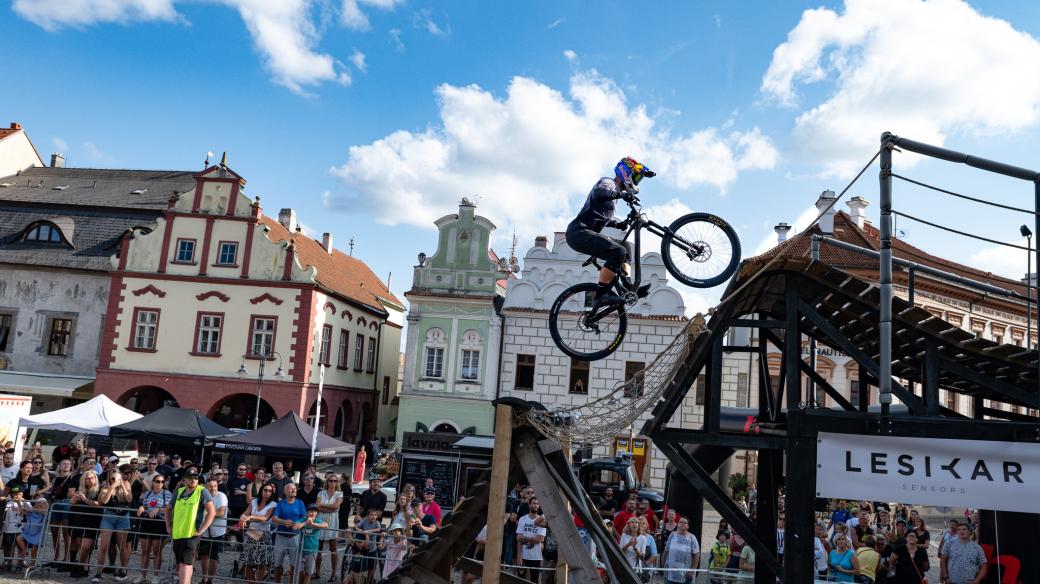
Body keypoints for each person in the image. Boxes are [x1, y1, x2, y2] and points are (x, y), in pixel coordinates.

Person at [566, 156, 656, 307]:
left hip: (587, 234)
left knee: (625, 247)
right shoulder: (609, 183)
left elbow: (601, 218)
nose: (636, 182)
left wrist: (619, 224)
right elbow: (598, 193)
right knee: (618, 251)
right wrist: (621, 195)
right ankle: (600, 296)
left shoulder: (614, 196)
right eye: (635, 177)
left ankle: (627, 285)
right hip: (578, 232)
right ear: (625, 174)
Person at [165, 467, 216, 584]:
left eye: (195, 477)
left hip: (191, 534)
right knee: (180, 563)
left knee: (186, 563)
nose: (193, 479)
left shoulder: (202, 491)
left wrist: (201, 530)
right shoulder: (179, 491)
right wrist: (168, 526)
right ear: (184, 480)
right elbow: (168, 508)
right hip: (177, 533)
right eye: (190, 477)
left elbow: (212, 512)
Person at [95, 467, 134, 582]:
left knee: (122, 546)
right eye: (112, 478)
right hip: (109, 517)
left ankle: (123, 570)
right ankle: (98, 573)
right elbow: (104, 501)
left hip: (123, 518)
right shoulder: (106, 487)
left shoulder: (126, 484)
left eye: (116, 477)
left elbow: (129, 499)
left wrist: (122, 485)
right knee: (103, 546)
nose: (114, 479)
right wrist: (112, 487)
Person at [136, 473, 172, 584]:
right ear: (153, 483)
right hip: (147, 522)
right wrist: (142, 507)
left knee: (157, 551)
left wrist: (158, 508)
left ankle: (155, 576)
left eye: (162, 482)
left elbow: (169, 507)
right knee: (145, 551)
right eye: (157, 481)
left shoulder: (167, 493)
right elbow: (146, 505)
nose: (160, 483)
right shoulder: (148, 493)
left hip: (159, 523)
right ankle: (143, 575)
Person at [239, 482, 276, 584]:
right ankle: (252, 582)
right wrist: (242, 518)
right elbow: (245, 513)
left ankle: (259, 582)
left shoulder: (273, 504)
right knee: (246, 562)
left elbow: (265, 518)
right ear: (261, 491)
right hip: (252, 534)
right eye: (265, 490)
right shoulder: (254, 501)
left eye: (269, 491)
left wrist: (250, 517)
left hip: (264, 535)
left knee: (262, 563)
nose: (267, 492)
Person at [270, 483, 307, 584]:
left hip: (295, 536)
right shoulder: (280, 503)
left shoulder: (300, 503)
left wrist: (297, 524)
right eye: (291, 489)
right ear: (285, 492)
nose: (294, 490)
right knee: (277, 564)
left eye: (295, 489)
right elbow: (274, 518)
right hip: (281, 536)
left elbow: (305, 518)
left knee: (294, 565)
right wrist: (284, 522)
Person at [69, 470, 103, 578]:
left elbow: (99, 504)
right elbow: (72, 503)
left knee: (86, 546)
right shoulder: (80, 490)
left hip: (92, 521)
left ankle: (80, 564)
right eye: (87, 478)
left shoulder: (99, 490)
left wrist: (85, 499)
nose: (90, 480)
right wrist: (74, 499)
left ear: (96, 479)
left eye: (92, 478)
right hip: (79, 520)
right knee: (81, 545)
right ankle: (85, 568)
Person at [41, 458, 75, 565]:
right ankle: (56, 558)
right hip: (55, 504)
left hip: (67, 504)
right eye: (64, 463)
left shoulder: (72, 477)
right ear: (60, 466)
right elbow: (51, 492)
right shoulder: (55, 479)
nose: (66, 465)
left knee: (66, 533)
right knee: (55, 533)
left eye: (68, 464)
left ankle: (66, 558)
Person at [313, 471, 343, 580]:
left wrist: (323, 506)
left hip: (333, 521)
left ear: (337, 483)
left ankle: (334, 574)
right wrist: (328, 507)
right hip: (321, 520)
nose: (333, 482)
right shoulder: (321, 493)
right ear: (327, 482)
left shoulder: (340, 494)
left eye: (335, 481)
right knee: (318, 548)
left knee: (333, 548)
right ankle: (317, 572)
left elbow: (336, 506)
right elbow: (317, 506)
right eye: (331, 480)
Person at [198, 478, 227, 584]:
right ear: (206, 487)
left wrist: (206, 513)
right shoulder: (202, 496)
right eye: (210, 486)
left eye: (215, 486)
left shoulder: (221, 496)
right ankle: (204, 578)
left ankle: (210, 580)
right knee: (204, 556)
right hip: (204, 531)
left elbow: (221, 513)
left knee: (213, 558)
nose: (213, 488)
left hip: (217, 532)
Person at [294, 505, 328, 584]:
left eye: (315, 512)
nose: (313, 513)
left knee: (308, 573)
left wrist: (313, 524)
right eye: (311, 511)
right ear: (307, 513)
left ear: (317, 514)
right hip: (301, 550)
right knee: (300, 572)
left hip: (312, 550)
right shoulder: (303, 519)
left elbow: (326, 525)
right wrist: (306, 522)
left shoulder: (317, 521)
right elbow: (295, 527)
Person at [516, 497, 547, 582]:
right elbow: (518, 538)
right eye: (534, 503)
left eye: (537, 504)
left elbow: (541, 539)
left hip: (536, 556)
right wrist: (519, 556)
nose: (536, 505)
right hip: (523, 555)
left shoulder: (542, 520)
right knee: (520, 579)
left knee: (534, 580)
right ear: (529, 505)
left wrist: (525, 538)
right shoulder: (522, 519)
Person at [1, 486, 30, 571]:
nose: (17, 496)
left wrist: (18, 504)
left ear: (22, 494)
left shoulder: (25, 502)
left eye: (19, 494)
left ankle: (20, 563)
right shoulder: (8, 502)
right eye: (15, 495)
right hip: (8, 527)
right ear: (12, 494)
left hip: (20, 528)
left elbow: (26, 512)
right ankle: (7, 562)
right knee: (8, 546)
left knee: (20, 546)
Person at [663, 517, 699, 584]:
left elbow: (696, 555)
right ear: (678, 524)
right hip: (670, 573)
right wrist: (663, 566)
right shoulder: (672, 535)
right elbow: (666, 551)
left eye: (684, 523)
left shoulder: (692, 538)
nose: (682, 524)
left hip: (685, 575)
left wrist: (692, 571)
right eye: (680, 522)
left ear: (688, 526)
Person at [15, 497, 46, 569]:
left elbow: (44, 511)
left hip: (38, 533)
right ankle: (25, 551)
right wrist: (19, 503)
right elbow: (22, 511)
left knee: (34, 549)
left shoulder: (45, 513)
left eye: (41, 505)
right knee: (19, 538)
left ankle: (32, 564)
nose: (39, 506)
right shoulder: (31, 511)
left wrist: (38, 508)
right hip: (29, 532)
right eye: (38, 504)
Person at [356, 507, 383, 583]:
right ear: (368, 516)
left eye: (375, 515)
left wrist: (370, 531)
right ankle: (360, 579)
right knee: (362, 565)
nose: (374, 516)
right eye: (372, 515)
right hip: (364, 546)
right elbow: (356, 526)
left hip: (372, 548)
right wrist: (360, 530)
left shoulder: (377, 522)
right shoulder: (364, 521)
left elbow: (379, 529)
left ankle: (368, 581)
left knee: (371, 567)